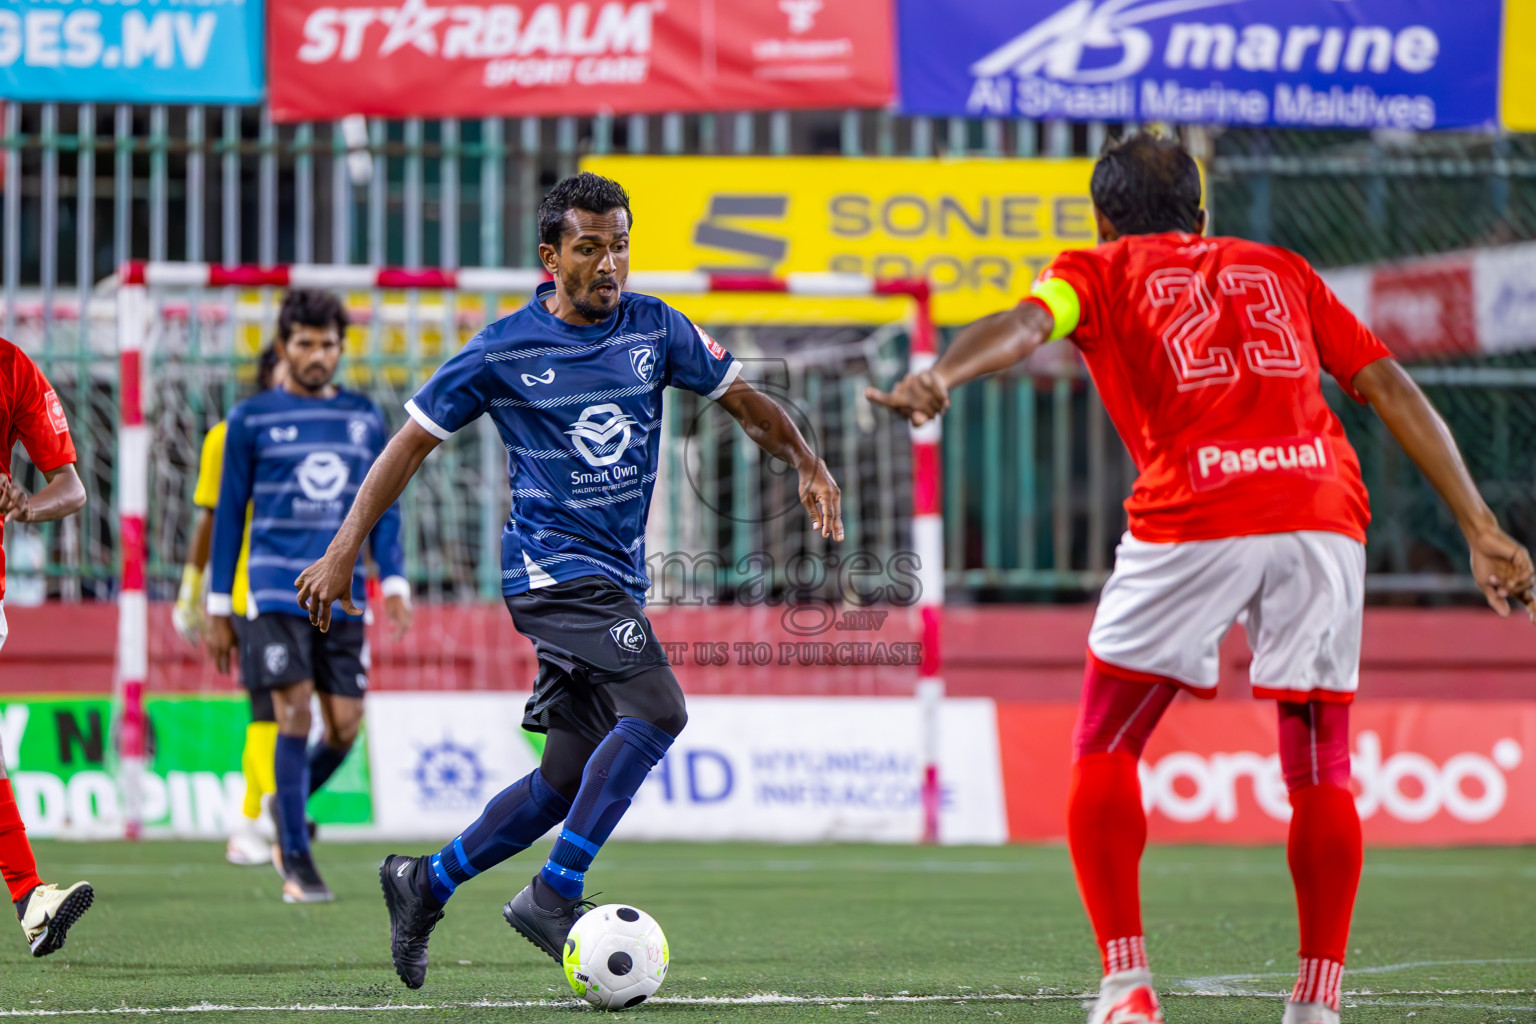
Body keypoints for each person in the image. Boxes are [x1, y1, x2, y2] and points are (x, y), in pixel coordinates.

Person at [867, 133, 1534, 1024]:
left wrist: (942, 372)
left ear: (1104, 221)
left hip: (1198, 505)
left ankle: (1128, 986)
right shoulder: (1282, 267)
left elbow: (1030, 323)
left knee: (1106, 741)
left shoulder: (1096, 270)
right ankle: (1317, 1002)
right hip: (1322, 510)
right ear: (1203, 213)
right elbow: (1389, 384)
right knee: (1319, 764)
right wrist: (1482, 526)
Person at [294, 171, 843, 989]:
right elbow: (409, 442)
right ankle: (554, 894)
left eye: (619, 246)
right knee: (659, 708)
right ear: (551, 256)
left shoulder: (656, 328)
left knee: (561, 779)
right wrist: (345, 549)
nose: (610, 264)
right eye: (590, 248)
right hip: (551, 574)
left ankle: (424, 882)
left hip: (615, 579)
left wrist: (806, 459)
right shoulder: (504, 347)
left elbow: (743, 400)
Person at [206, 290, 413, 903]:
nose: (317, 355)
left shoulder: (364, 417)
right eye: (305, 344)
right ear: (283, 345)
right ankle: (296, 856)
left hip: (344, 592)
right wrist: (219, 607)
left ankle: (282, 805)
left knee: (346, 727)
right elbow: (227, 518)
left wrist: (394, 579)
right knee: (293, 710)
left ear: (341, 348)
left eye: (327, 344)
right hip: (272, 589)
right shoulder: (249, 419)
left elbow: (386, 504)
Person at [174, 344, 288, 866]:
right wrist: (192, 588)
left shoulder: (320, 434)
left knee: (295, 711)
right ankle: (260, 813)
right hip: (248, 591)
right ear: (267, 375)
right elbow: (210, 517)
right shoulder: (227, 437)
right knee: (269, 705)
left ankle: (259, 816)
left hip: (301, 591)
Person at [0, 337, 92, 955]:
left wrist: (26, 507)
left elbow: (72, 487)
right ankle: (30, 896)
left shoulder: (14, 368)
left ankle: (31, 894)